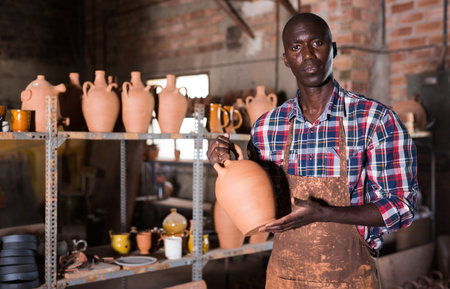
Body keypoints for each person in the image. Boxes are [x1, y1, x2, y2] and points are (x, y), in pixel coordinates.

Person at [207, 12, 418, 288]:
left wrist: (327, 214)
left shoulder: (375, 120)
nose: (307, 55)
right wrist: (232, 165)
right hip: (284, 280)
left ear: (333, 49)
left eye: (317, 43)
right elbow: (262, 205)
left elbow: (402, 207)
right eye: (296, 47)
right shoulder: (266, 128)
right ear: (286, 59)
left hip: (351, 279)